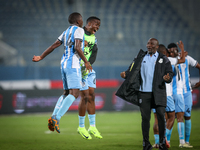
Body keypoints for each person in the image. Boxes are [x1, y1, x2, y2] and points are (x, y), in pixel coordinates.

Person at [32, 12, 92, 133]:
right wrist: (86, 61)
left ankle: (53, 116)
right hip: (73, 64)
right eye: (82, 20)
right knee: (75, 93)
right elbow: (77, 47)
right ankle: (57, 118)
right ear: (79, 21)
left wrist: (41, 57)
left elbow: (55, 45)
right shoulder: (79, 30)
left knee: (66, 93)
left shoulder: (66, 32)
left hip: (63, 64)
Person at [116, 38, 173, 150]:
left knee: (161, 117)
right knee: (145, 119)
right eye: (148, 43)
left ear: (157, 46)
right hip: (144, 93)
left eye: (151, 44)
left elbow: (169, 73)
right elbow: (132, 70)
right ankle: (146, 144)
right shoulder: (140, 57)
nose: (149, 45)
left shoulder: (163, 59)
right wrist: (125, 74)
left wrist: (168, 78)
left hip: (159, 93)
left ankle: (162, 143)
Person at [152, 42, 185, 148]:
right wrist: (182, 50)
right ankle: (165, 138)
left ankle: (157, 142)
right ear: (165, 52)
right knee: (171, 117)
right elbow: (182, 60)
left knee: (157, 119)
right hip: (167, 93)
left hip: (155, 94)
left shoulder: (152, 60)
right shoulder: (168, 59)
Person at [170, 42, 200, 148]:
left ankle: (186, 142)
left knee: (187, 116)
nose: (173, 51)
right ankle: (167, 140)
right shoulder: (170, 61)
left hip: (186, 92)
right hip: (174, 92)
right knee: (172, 117)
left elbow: (199, 66)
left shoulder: (188, 58)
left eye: (175, 49)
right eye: (171, 50)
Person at [77, 16, 102, 140]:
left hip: (88, 68)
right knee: (85, 96)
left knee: (91, 95)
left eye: (99, 26)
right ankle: (81, 126)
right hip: (78, 68)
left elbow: (94, 52)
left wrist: (89, 64)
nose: (97, 27)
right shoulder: (79, 33)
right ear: (89, 23)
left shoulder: (94, 38)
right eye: (96, 25)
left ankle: (92, 126)